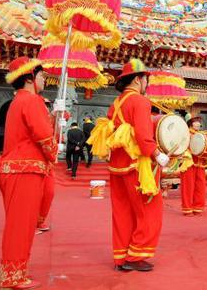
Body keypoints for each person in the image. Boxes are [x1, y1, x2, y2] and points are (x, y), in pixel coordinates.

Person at [88, 59, 170, 272]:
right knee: (149, 210)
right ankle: (136, 255)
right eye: (146, 79)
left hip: (117, 165)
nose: (147, 84)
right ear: (137, 79)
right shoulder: (140, 102)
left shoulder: (116, 104)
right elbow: (143, 136)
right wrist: (157, 154)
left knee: (122, 211)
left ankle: (121, 256)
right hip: (137, 166)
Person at [0, 57, 57, 289]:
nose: (44, 79)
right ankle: (12, 276)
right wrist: (53, 153)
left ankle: (12, 272)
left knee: (17, 225)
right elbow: (42, 135)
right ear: (30, 77)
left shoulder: (17, 102)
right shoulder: (32, 100)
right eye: (41, 75)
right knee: (20, 227)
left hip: (14, 169)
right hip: (25, 170)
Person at [180, 115, 207, 215]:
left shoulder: (201, 135)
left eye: (199, 122)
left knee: (200, 186)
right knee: (188, 187)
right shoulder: (185, 134)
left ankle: (197, 207)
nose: (198, 123)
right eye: (195, 121)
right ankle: (187, 209)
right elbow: (181, 147)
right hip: (188, 163)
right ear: (190, 123)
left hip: (200, 163)